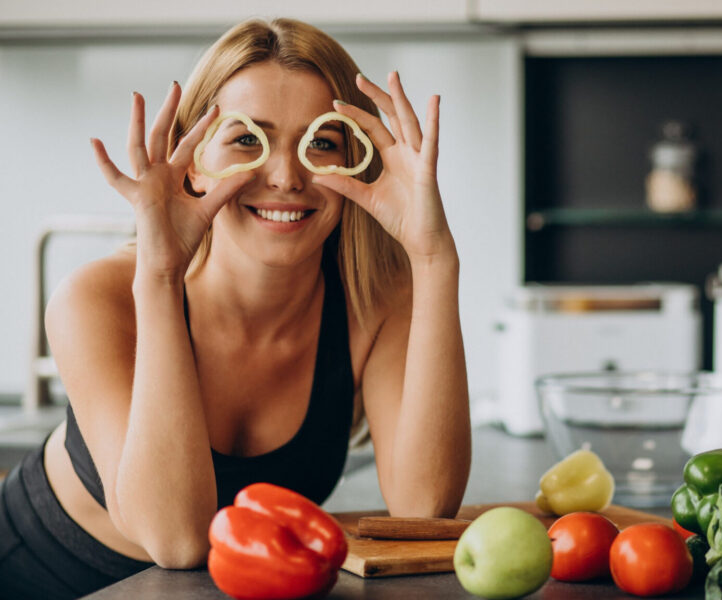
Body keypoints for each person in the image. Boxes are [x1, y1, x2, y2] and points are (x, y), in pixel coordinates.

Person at [0, 17, 471, 599]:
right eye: (248, 139)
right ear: (194, 160)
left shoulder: (376, 298)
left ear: (354, 162)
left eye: (321, 143)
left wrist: (434, 259)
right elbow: (176, 541)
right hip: (39, 576)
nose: (287, 176)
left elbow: (425, 508)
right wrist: (160, 275)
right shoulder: (96, 298)